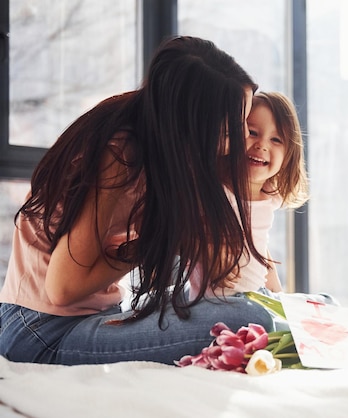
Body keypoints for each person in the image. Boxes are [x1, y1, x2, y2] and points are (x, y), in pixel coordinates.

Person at [0, 36, 274, 366]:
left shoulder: (160, 144)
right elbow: (62, 288)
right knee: (250, 317)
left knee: (250, 303)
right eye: (235, 126)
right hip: (42, 331)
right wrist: (156, 242)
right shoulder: (120, 152)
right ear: (195, 121)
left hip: (82, 316)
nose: (244, 137)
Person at [188, 91, 309, 300]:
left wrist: (281, 300)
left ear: (289, 156)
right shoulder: (213, 191)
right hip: (216, 303)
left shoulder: (269, 199)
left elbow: (261, 255)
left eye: (276, 139)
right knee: (254, 313)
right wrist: (208, 247)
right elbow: (183, 230)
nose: (262, 145)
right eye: (252, 132)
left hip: (254, 298)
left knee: (323, 301)